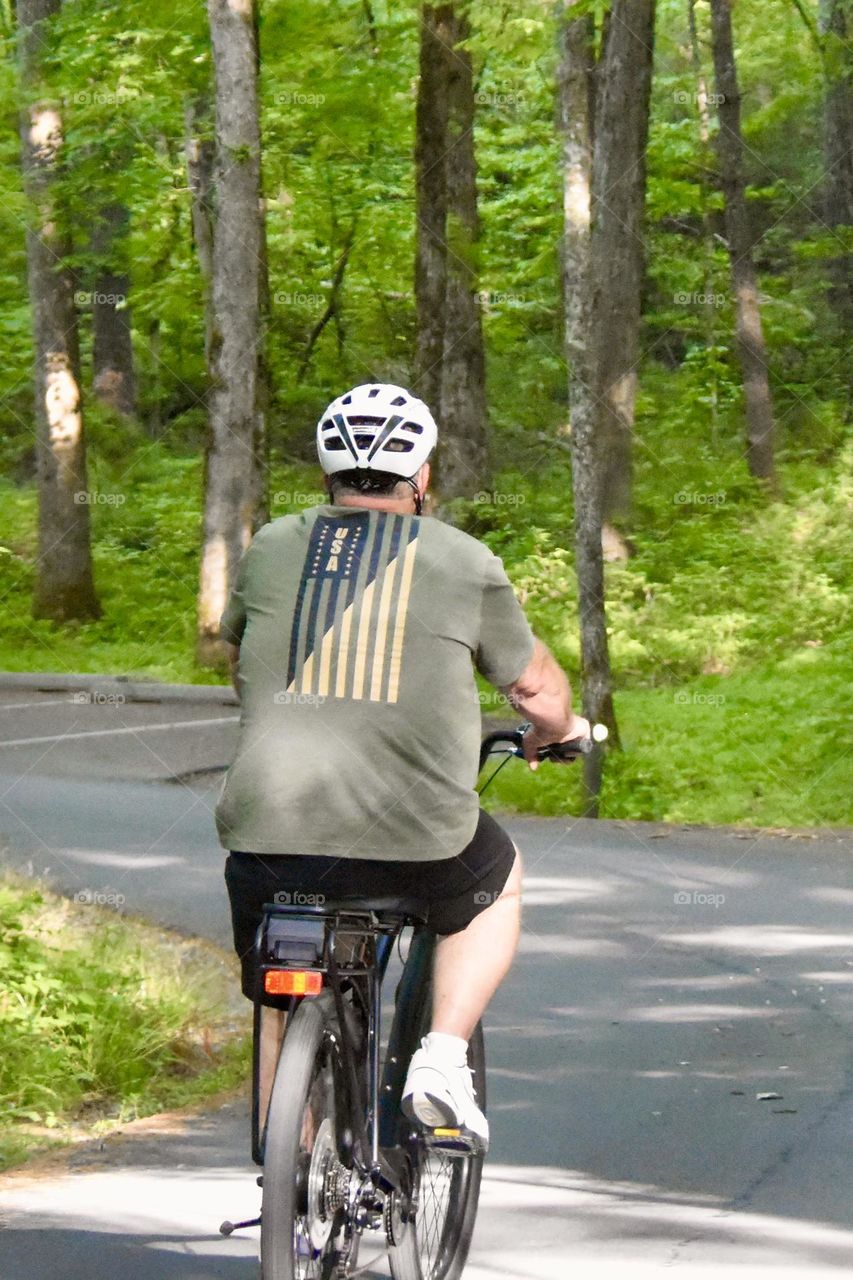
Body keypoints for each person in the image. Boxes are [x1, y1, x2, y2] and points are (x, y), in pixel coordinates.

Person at [217, 382, 588, 1150]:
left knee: (279, 1011)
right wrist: (558, 730)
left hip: (265, 838)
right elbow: (532, 689)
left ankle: (285, 1167)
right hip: (417, 843)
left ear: (327, 472)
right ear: (420, 476)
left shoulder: (272, 546)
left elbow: (241, 659)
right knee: (497, 880)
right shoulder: (461, 559)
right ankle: (442, 1060)